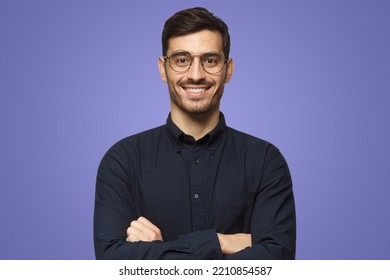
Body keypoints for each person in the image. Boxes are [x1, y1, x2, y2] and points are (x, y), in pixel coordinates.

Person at [93, 7, 296, 260]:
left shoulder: (266, 161)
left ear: (228, 69)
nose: (196, 75)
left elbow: (277, 262)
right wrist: (221, 242)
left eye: (210, 60)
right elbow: (113, 262)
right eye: (181, 60)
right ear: (163, 68)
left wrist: (157, 251)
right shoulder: (123, 161)